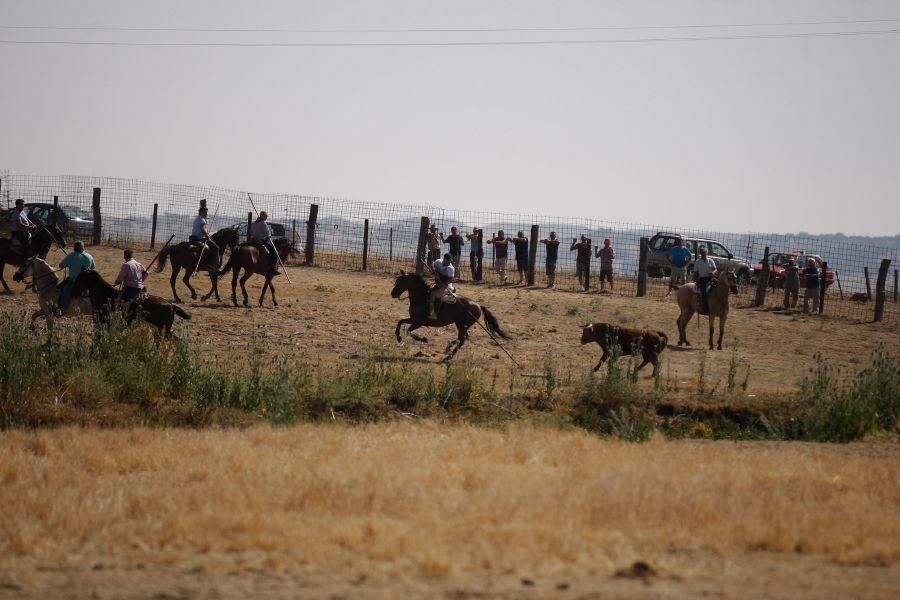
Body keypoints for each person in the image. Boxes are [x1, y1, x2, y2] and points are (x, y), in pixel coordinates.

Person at [58, 240, 95, 311]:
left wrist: (67, 260)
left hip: (75, 281)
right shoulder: (89, 256)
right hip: (88, 282)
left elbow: (61, 266)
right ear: (83, 247)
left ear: (75, 247)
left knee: (64, 291)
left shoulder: (71, 255)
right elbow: (93, 267)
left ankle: (63, 308)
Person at [250, 211, 279, 275]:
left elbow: (251, 232)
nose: (266, 218)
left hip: (253, 241)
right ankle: (272, 269)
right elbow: (267, 234)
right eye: (265, 216)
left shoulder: (254, 223)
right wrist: (269, 236)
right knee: (274, 253)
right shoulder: (263, 223)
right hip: (261, 241)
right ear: (262, 216)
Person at [429, 253, 456, 319]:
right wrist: (434, 270)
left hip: (446, 285)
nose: (448, 262)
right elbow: (432, 264)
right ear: (444, 259)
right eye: (447, 261)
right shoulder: (438, 261)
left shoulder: (451, 268)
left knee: (437, 295)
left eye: (449, 261)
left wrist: (442, 284)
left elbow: (450, 279)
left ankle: (435, 314)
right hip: (438, 283)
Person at [694, 247, 717, 313]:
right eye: (702, 253)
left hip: (710, 278)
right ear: (701, 254)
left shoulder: (710, 260)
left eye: (705, 253)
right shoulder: (697, 262)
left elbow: (715, 269)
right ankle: (705, 306)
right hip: (702, 279)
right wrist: (696, 279)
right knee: (704, 291)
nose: (703, 254)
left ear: (707, 253)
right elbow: (695, 272)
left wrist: (713, 272)